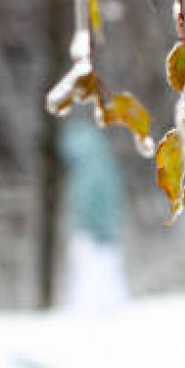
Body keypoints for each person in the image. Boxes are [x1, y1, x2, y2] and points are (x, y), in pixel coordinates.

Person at [60, 118, 129, 311]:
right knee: (106, 275)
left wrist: (97, 229)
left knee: (92, 277)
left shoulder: (92, 172)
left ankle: (92, 314)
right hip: (99, 233)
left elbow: (94, 204)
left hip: (92, 234)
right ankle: (106, 312)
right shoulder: (101, 167)